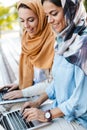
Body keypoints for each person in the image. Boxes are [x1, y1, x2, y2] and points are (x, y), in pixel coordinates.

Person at [20, 0, 87, 130]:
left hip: (79, 121)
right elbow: (57, 83)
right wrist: (37, 102)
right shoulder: (63, 40)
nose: (49, 20)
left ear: (71, 10)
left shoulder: (83, 46)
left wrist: (47, 115)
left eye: (54, 13)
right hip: (60, 111)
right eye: (46, 16)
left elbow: (81, 102)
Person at [1, 0, 55, 102]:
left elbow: (53, 83)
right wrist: (18, 83)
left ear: (42, 16)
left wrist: (23, 93)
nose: (26, 26)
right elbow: (32, 71)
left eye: (30, 20)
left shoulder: (53, 40)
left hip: (48, 98)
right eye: (22, 20)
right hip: (31, 92)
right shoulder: (27, 38)